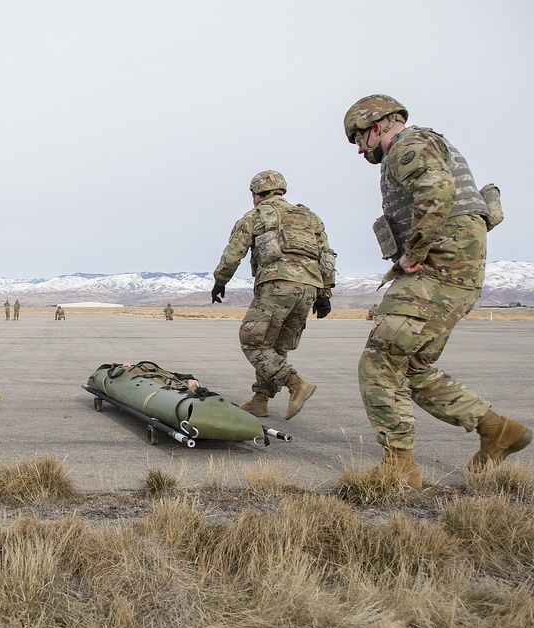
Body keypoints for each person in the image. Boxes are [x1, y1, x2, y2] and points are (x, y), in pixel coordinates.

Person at [343, 94, 530, 487]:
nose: (360, 150)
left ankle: (399, 467)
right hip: (457, 274)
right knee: (409, 367)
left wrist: (415, 251)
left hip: (436, 273)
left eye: (359, 139)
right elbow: (482, 212)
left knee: (379, 362)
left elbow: (437, 191)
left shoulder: (406, 146)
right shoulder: (434, 146)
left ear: (376, 126)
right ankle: (497, 430)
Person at [210, 170, 336, 421]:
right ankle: (260, 400)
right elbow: (325, 254)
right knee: (275, 347)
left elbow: (234, 252)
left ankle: (295, 383)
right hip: (309, 288)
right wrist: (325, 292)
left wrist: (220, 281)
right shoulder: (309, 217)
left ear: (256, 194)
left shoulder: (255, 216)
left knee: (252, 340)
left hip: (277, 284)